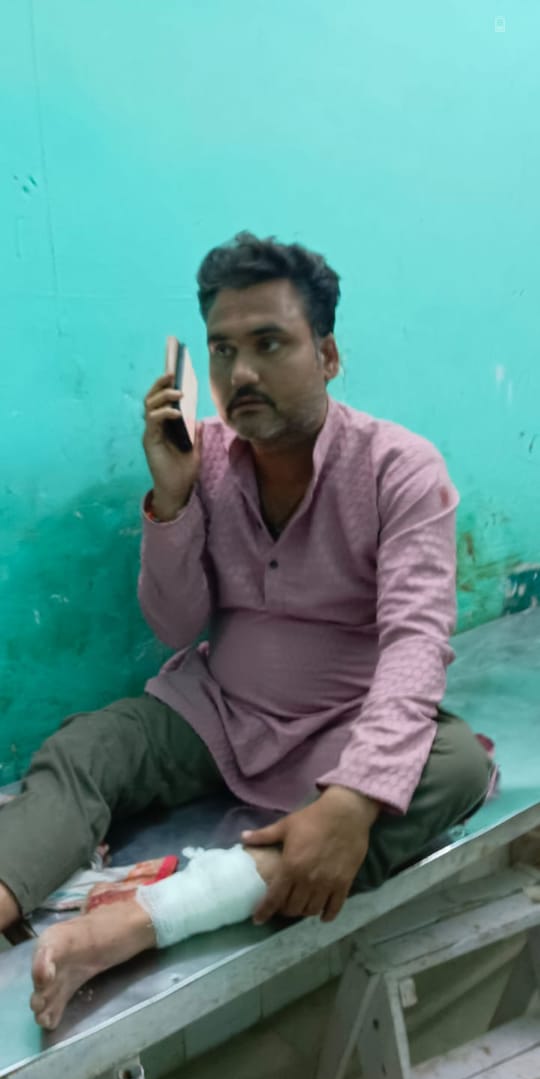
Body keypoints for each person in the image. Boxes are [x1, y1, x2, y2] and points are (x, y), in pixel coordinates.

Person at [0, 232, 494, 1031]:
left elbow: (416, 641)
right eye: (223, 350)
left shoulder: (399, 469)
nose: (242, 374)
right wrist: (173, 500)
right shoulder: (208, 461)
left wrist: (355, 799)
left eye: (270, 343)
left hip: (340, 731)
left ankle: (143, 922)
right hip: (218, 712)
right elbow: (175, 625)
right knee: (91, 746)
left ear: (327, 355)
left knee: (455, 767)